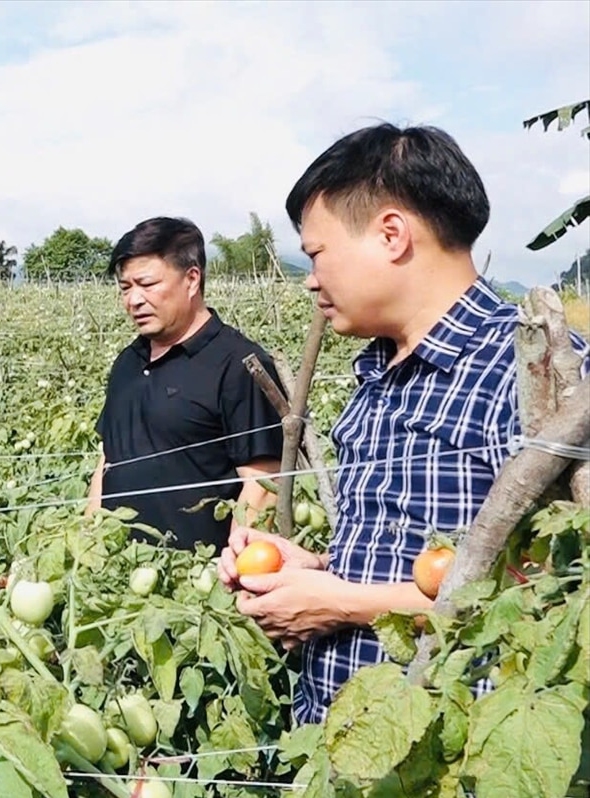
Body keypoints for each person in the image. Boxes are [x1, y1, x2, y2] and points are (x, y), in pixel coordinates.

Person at [216, 122, 589, 726]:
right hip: (344, 748)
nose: (311, 279)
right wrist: (315, 573)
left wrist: (339, 603)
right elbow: (404, 551)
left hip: (448, 763)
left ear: (392, 235)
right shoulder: (379, 373)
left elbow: (552, 595)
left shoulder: (534, 378)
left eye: (317, 254)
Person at [85, 216, 285, 552]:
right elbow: (107, 462)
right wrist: (89, 541)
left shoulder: (240, 365)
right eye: (125, 287)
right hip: (117, 581)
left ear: (192, 279)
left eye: (146, 284)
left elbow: (263, 484)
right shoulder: (127, 363)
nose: (133, 300)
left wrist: (233, 574)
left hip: (193, 585)